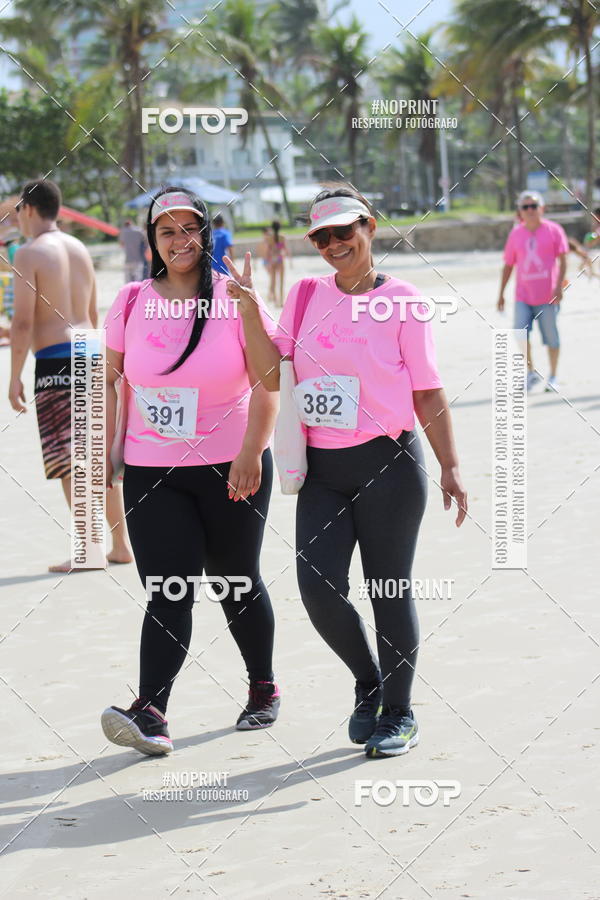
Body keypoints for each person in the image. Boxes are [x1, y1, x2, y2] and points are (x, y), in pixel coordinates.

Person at [224, 182, 467, 759]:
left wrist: (451, 467)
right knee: (318, 587)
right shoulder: (307, 294)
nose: (334, 243)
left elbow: (428, 393)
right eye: (322, 236)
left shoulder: (404, 299)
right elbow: (270, 368)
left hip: (390, 464)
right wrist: (248, 309)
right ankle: (369, 680)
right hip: (324, 470)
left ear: (369, 227)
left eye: (344, 231)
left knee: (389, 588)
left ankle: (399, 712)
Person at [101, 187, 279, 755]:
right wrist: (110, 451)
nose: (181, 240)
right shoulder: (130, 301)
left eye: (190, 228)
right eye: (168, 231)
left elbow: (269, 380)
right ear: (153, 240)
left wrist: (252, 450)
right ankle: (151, 711)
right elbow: (113, 382)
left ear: (207, 233)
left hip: (233, 465)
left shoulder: (234, 296)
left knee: (235, 580)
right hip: (154, 470)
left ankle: (262, 687)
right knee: (167, 589)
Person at [8, 179, 132, 572]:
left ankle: (89, 548)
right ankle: (119, 544)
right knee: (97, 457)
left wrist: (14, 376)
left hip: (56, 362)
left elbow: (23, 323)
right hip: (90, 352)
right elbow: (94, 314)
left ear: (28, 209)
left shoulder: (29, 254)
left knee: (69, 461)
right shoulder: (79, 249)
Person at [497, 190, 568, 392]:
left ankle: (553, 375)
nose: (530, 210)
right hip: (523, 295)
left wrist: (559, 286)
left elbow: (563, 259)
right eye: (525, 207)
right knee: (520, 333)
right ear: (520, 211)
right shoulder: (516, 234)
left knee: (551, 337)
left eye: (534, 206)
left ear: (542, 208)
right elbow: (508, 265)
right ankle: (530, 372)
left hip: (548, 295)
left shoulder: (554, 230)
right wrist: (501, 293)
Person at [266, 220, 289, 307]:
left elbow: (268, 251)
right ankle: (281, 301)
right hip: (280, 258)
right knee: (281, 281)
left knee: (273, 280)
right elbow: (285, 249)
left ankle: (275, 301)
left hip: (273, 259)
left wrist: (268, 262)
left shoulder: (269, 238)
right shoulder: (282, 237)